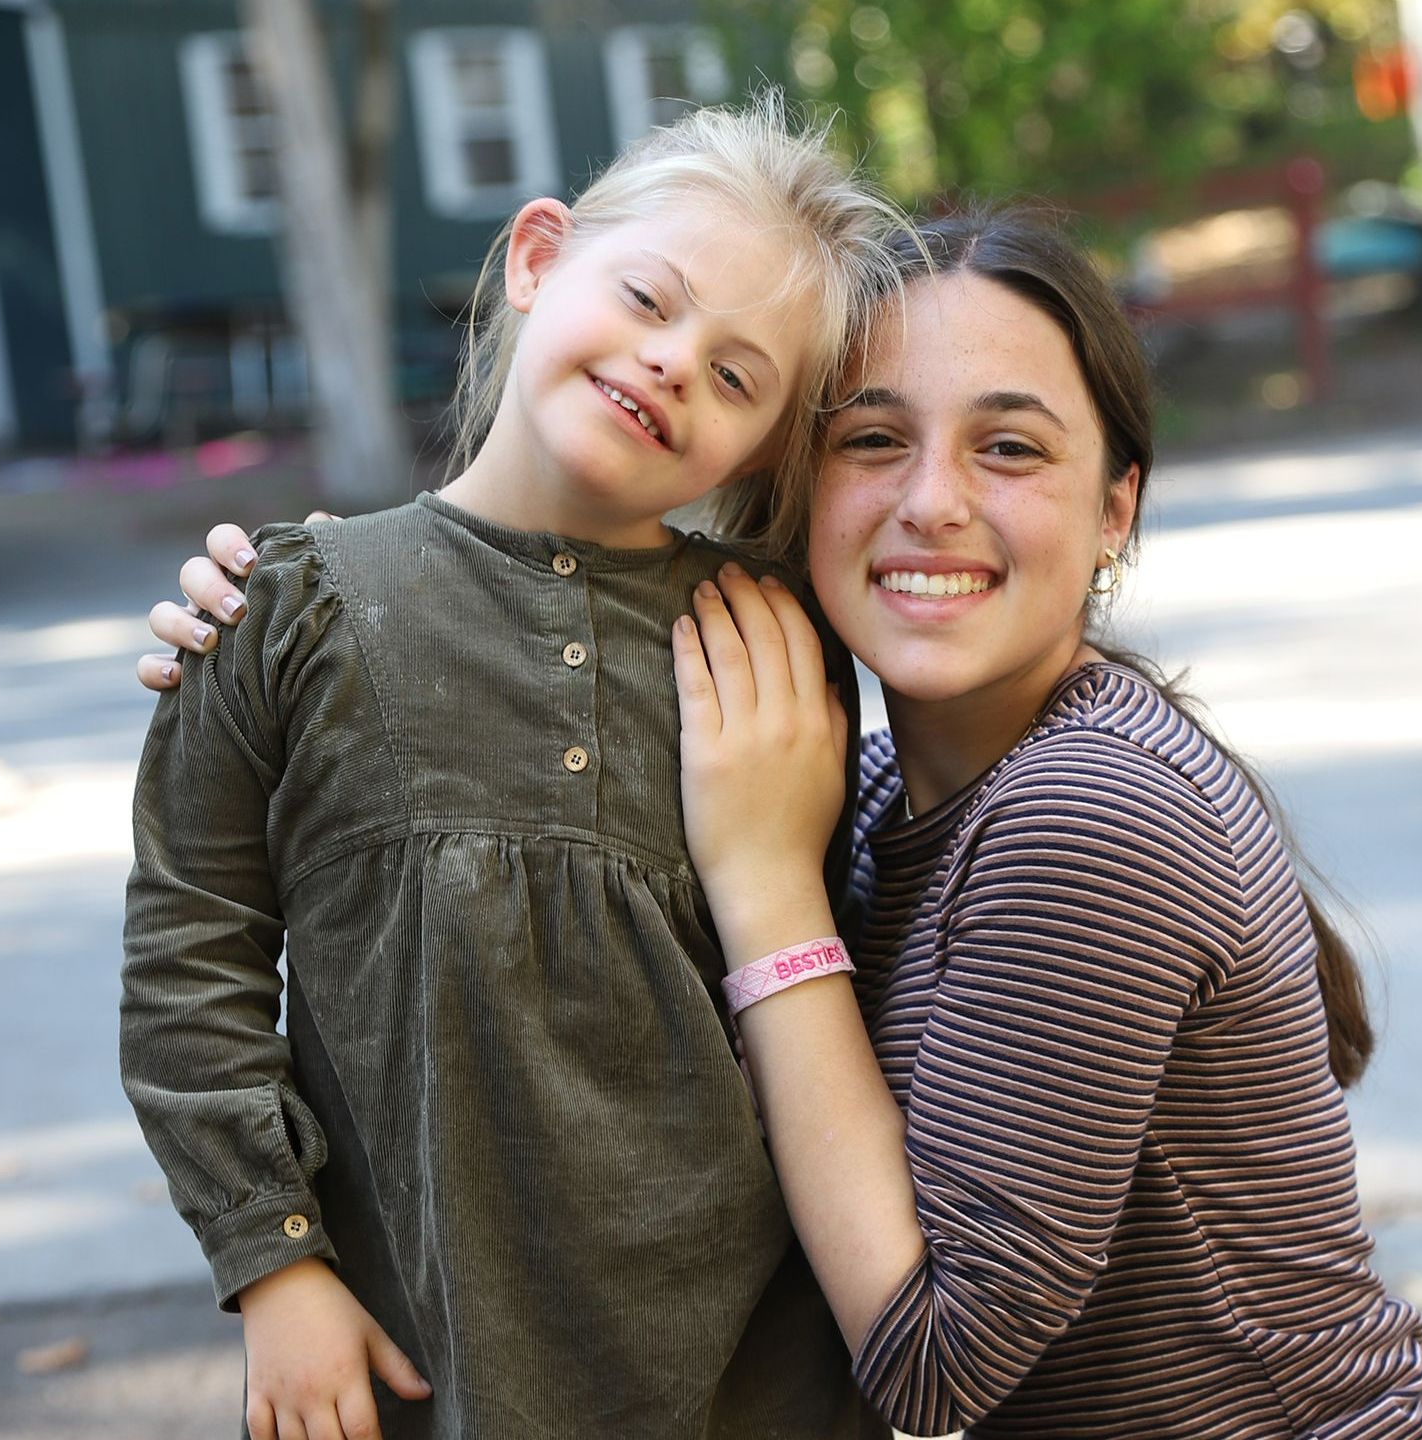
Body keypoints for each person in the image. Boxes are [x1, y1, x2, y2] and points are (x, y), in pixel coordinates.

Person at [140, 209, 1422, 1437]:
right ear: (794, 488)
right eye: (873, 439)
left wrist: (767, 876)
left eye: (1009, 446)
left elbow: (933, 1366)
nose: (932, 500)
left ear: (1115, 505)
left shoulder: (1089, 810)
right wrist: (322, 612)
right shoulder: (883, 788)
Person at [120, 95, 910, 1440]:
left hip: (750, 1381)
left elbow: (830, 975)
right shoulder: (291, 608)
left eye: (737, 376)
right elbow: (188, 956)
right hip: (424, 1363)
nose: (672, 364)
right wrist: (275, 1262)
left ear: (767, 445)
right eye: (650, 299)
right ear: (539, 259)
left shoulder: (768, 644)